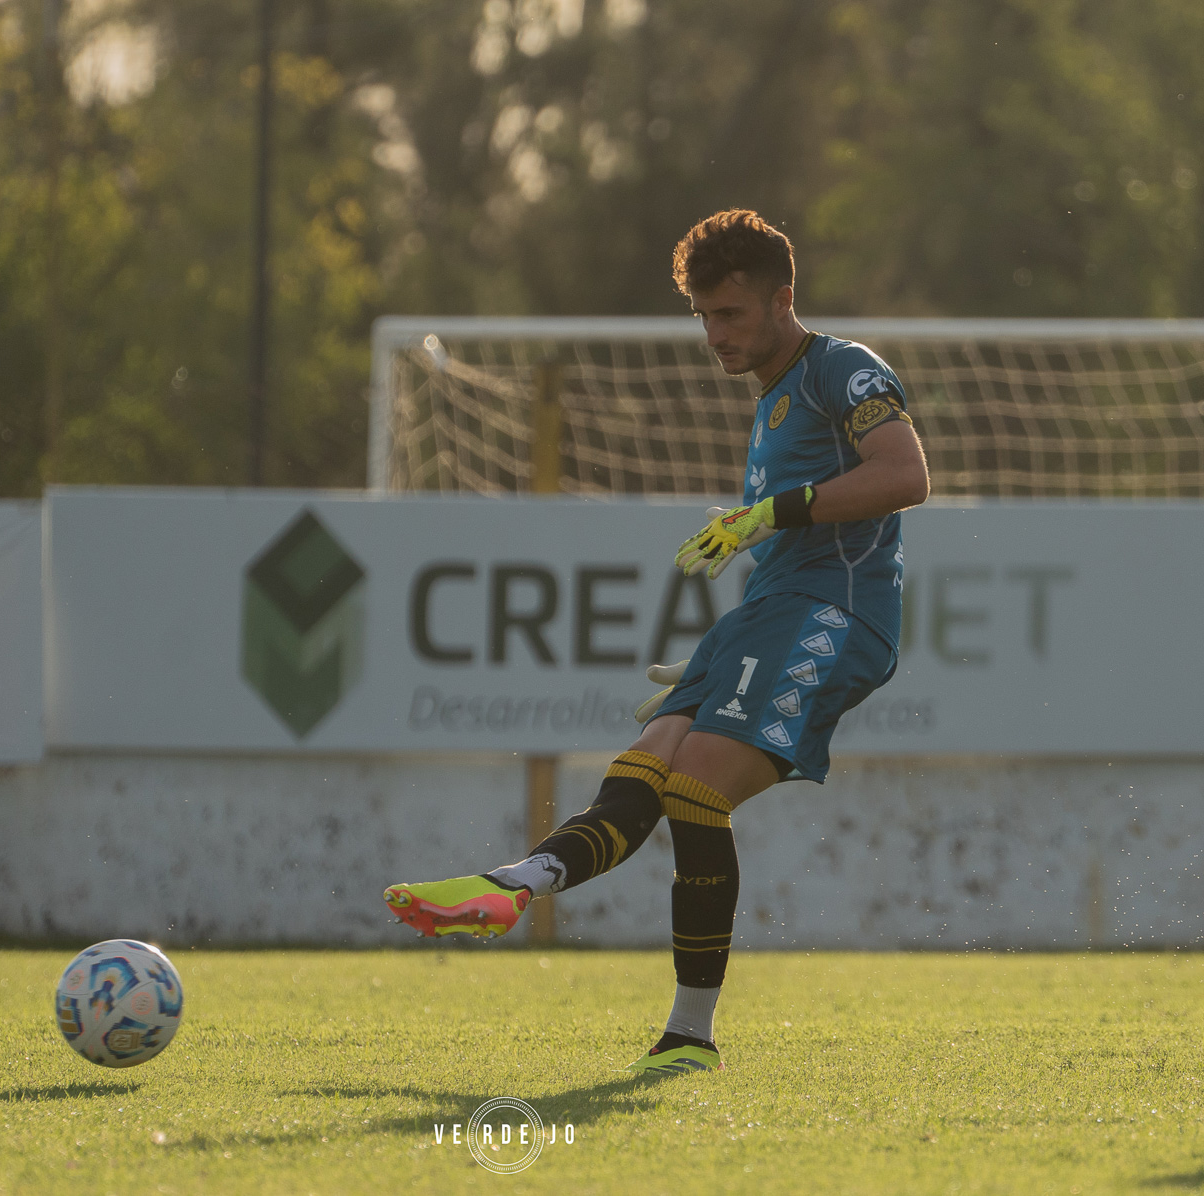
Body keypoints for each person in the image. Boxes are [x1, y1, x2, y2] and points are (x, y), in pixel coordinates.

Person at [382, 209, 930, 1075]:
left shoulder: (841, 367)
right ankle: (518, 881)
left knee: (697, 792)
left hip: (835, 613)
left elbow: (907, 477)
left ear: (783, 299)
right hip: (763, 616)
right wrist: (728, 646)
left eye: (731, 315)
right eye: (703, 317)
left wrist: (770, 514)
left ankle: (689, 1037)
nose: (714, 335)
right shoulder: (772, 398)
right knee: (642, 776)